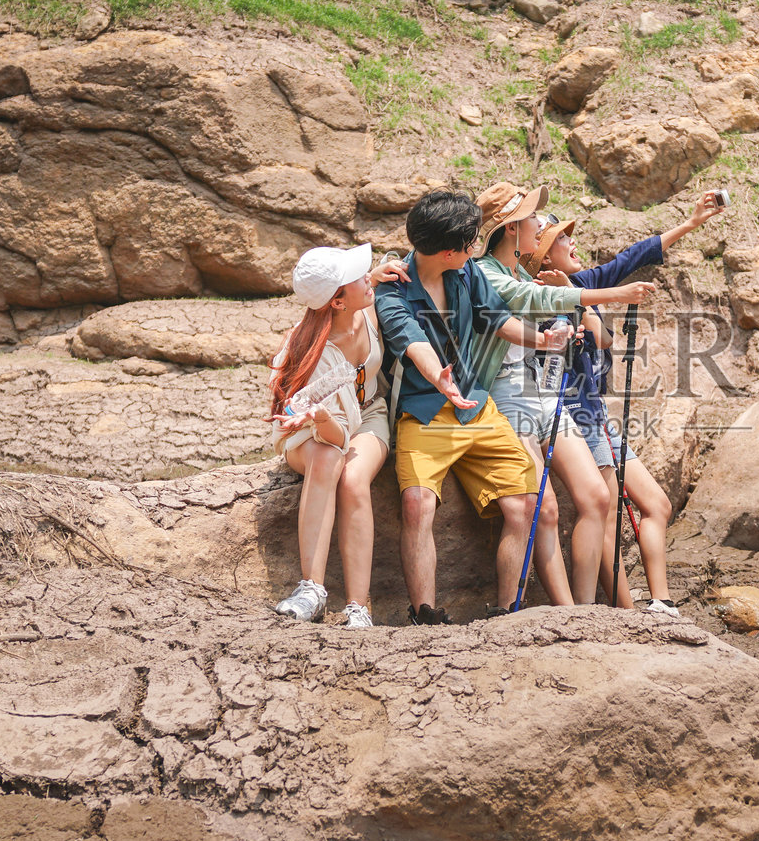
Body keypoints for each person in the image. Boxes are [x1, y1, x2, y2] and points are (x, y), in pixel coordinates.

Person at [374, 190, 572, 625]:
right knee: (417, 503)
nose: (475, 251)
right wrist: (438, 379)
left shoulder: (466, 274)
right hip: (425, 410)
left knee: (524, 505)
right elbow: (410, 339)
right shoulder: (393, 287)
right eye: (469, 246)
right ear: (449, 251)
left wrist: (542, 340)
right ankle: (425, 615)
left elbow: (495, 318)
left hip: (477, 407)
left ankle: (506, 612)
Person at [526, 189, 726, 614]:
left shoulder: (583, 283)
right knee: (607, 511)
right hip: (575, 420)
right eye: (563, 239)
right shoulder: (535, 300)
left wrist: (690, 224)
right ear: (544, 258)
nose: (573, 242)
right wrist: (572, 302)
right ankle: (624, 612)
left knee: (657, 505)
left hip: (599, 421)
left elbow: (633, 257)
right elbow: (602, 337)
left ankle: (661, 602)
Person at [471, 182, 657, 607]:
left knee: (597, 496)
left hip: (543, 396)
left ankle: (587, 608)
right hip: (507, 398)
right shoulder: (485, 273)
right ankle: (564, 613)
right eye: (533, 218)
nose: (541, 224)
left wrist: (553, 335)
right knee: (545, 509)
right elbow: (535, 298)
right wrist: (615, 295)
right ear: (512, 229)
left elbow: (539, 305)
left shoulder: (517, 271)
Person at [269, 243, 407, 628]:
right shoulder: (311, 351)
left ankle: (358, 607)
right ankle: (311, 589)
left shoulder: (368, 308)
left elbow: (356, 421)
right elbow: (331, 435)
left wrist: (376, 276)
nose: (368, 278)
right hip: (312, 430)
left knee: (353, 478)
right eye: (358, 277)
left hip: (369, 413)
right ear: (337, 302)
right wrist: (320, 416)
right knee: (330, 459)